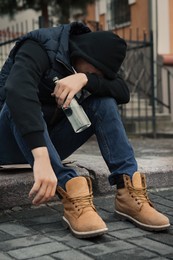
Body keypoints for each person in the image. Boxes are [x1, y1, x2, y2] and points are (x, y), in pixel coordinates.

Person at [0, 22, 170, 238]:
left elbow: (122, 91)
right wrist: (42, 158)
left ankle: (127, 191)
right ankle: (72, 191)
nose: (97, 75)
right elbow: (17, 89)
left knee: (105, 100)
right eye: (95, 71)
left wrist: (86, 78)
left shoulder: (90, 55)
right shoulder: (38, 46)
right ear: (86, 55)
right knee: (16, 103)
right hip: (9, 142)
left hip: (50, 143)